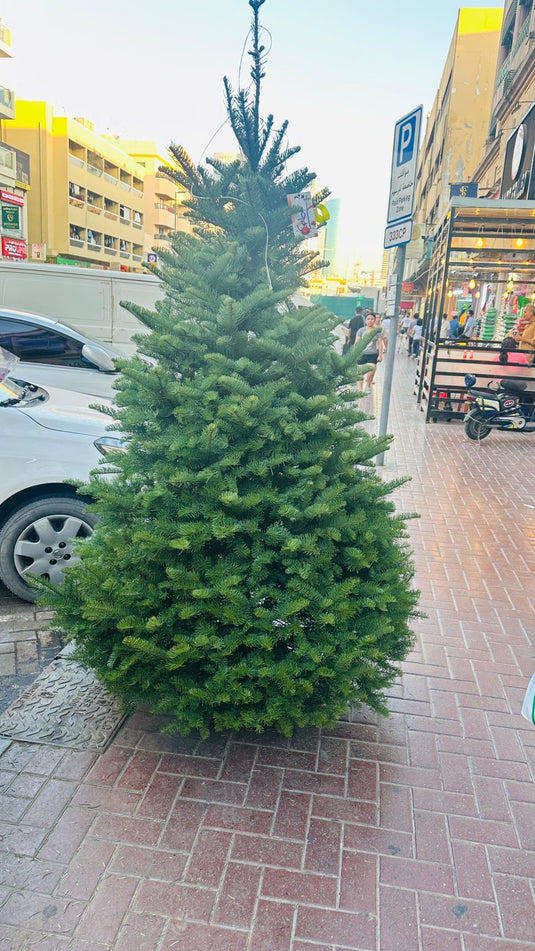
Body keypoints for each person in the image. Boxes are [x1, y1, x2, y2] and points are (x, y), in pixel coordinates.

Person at [356, 312, 383, 392]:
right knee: (360, 373)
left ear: (375, 320)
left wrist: (380, 355)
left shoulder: (377, 331)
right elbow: (357, 342)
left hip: (372, 354)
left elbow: (380, 344)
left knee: (371, 370)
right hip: (362, 354)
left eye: (372, 319)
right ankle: (360, 389)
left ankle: (368, 385)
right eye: (368, 319)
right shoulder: (361, 330)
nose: (370, 321)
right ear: (365, 320)